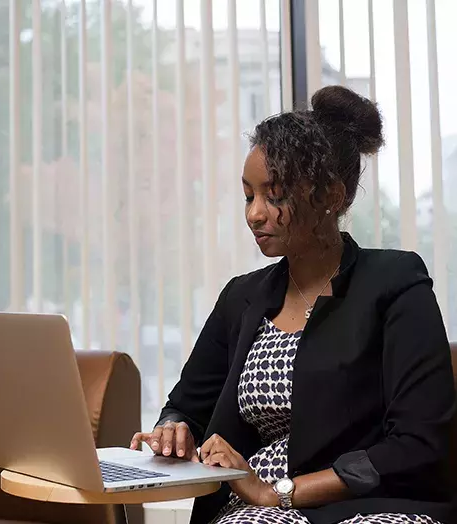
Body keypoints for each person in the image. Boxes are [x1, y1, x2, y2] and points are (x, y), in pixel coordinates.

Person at [130, 85, 456, 524]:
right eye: (249, 195)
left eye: (274, 195)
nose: (254, 214)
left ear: (331, 197)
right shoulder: (241, 297)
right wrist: (174, 431)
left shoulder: (395, 283)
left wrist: (279, 492)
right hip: (253, 509)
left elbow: (418, 442)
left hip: (370, 507)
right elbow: (187, 405)